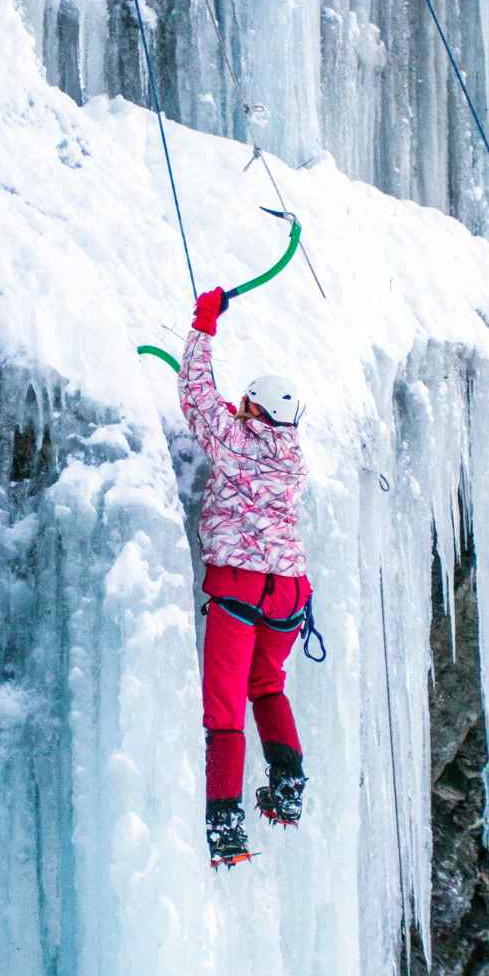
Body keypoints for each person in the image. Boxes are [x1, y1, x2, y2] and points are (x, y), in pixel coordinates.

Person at [179, 286, 316, 868]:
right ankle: (287, 784)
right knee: (268, 685)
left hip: (238, 586)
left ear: (252, 410)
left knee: (225, 710)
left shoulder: (233, 441)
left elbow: (195, 393)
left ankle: (225, 825)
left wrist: (204, 321)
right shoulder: (295, 458)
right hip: (287, 592)